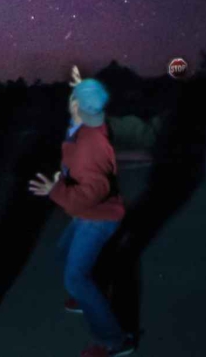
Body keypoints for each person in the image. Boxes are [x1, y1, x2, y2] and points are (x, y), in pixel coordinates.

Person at [28, 66, 138, 357]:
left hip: (96, 217)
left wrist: (54, 190)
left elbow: (87, 197)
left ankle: (115, 340)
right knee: (65, 252)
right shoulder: (91, 122)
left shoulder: (90, 146)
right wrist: (82, 86)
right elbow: (88, 106)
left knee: (74, 278)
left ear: (76, 106)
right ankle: (87, 295)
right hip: (93, 213)